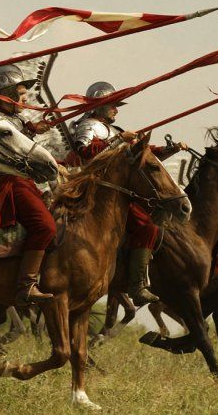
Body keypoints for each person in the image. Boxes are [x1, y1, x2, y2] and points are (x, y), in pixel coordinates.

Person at [71, 81, 186, 305]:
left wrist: (169, 148)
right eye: (112, 105)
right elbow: (85, 153)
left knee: (151, 222)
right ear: (100, 106)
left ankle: (137, 281)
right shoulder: (89, 125)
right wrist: (118, 140)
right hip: (95, 187)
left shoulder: (117, 131)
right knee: (145, 225)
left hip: (119, 189)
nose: (116, 110)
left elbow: (143, 157)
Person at [0, 64, 57, 305]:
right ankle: (27, 285)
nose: (26, 100)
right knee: (45, 226)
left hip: (26, 180)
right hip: (8, 180)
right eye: (22, 95)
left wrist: (33, 130)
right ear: (8, 96)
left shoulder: (16, 120)